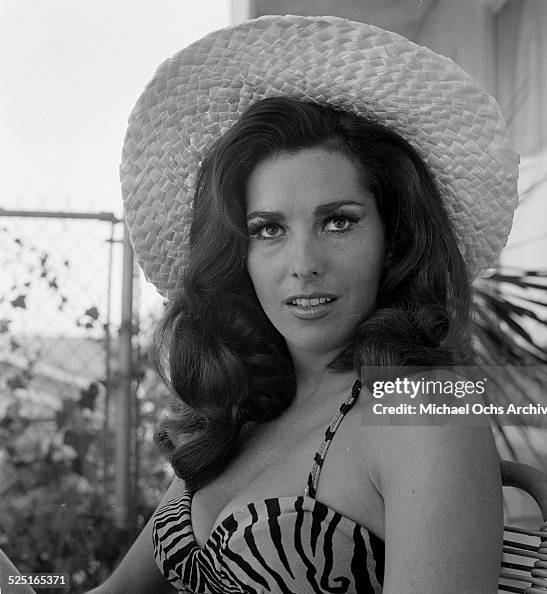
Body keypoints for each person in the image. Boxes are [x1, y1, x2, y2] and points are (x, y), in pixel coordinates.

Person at [91, 14, 519, 593]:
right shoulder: (246, 407)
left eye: (338, 221)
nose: (304, 263)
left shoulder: (429, 410)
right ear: (238, 252)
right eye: (268, 230)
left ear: (394, 237)